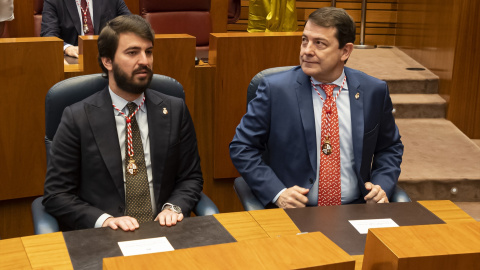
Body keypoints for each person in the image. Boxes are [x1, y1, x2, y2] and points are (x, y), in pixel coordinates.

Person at [230, 7, 403, 209]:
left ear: (345, 51)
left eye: (319, 43)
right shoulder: (275, 90)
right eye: (305, 40)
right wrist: (277, 193)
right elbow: (242, 147)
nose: (306, 50)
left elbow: (389, 147)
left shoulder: (373, 91)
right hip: (294, 211)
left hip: (357, 208)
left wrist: (381, 185)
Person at [43, 15, 203, 231]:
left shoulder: (174, 110)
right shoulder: (77, 117)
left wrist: (173, 208)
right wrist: (105, 220)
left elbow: (190, 177)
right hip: (104, 236)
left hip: (164, 230)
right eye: (132, 53)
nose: (144, 61)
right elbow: (56, 194)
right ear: (107, 61)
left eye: (148, 52)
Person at [41, 0, 131, 58]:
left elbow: (132, 25)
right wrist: (67, 48)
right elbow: (49, 35)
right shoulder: (54, 1)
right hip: (74, 59)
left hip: (108, 55)